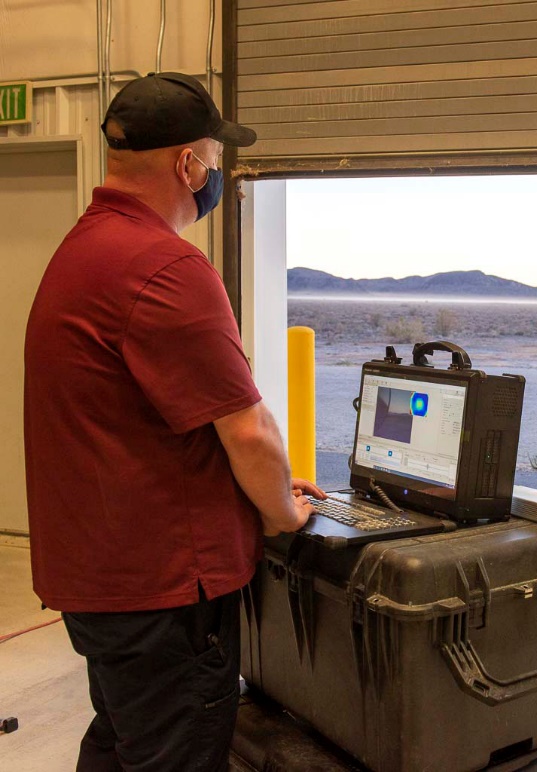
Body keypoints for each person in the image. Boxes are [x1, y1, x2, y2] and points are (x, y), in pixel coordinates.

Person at [23, 72, 323, 771]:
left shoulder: (85, 249)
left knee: (125, 741)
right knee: (176, 752)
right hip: (161, 589)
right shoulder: (165, 267)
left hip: (101, 577)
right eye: (216, 159)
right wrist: (282, 511)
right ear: (187, 164)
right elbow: (247, 430)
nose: (217, 173)